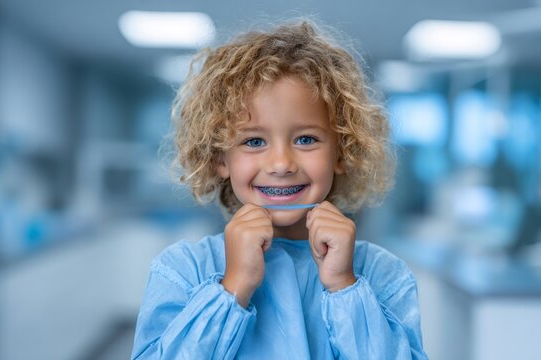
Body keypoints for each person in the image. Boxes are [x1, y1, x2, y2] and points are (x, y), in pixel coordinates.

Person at [131, 20, 428, 359]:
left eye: (306, 139)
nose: (281, 163)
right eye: (254, 141)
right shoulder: (183, 270)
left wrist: (345, 287)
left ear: (342, 152)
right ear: (219, 158)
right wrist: (232, 289)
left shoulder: (383, 276)